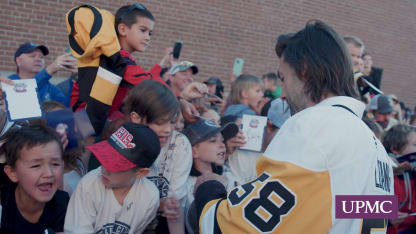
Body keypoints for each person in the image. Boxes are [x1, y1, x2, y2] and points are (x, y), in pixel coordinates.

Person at [192, 20, 394, 233]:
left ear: (304, 70)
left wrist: (209, 188)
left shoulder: (315, 124)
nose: (284, 94)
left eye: (283, 78)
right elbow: (341, 211)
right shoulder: (376, 147)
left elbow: (237, 227)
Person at [64, 122, 161, 233]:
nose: (105, 169)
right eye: (106, 157)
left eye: (116, 166)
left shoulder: (149, 196)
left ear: (141, 173)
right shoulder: (89, 185)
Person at [122, 80, 191, 234]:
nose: (168, 130)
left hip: (161, 224)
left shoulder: (179, 143)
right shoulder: (122, 141)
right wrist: (159, 204)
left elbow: (173, 205)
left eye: (172, 122)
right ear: (136, 118)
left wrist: (166, 205)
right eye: (160, 123)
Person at [1, 125, 69, 233]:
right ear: (12, 173)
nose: (48, 173)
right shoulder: (3, 200)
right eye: (36, 166)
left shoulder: (62, 205)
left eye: (55, 164)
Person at [182, 120, 239, 234]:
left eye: (222, 140)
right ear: (194, 151)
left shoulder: (228, 175)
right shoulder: (185, 185)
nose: (222, 145)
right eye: (213, 141)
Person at [9, 42, 76, 106]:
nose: (38, 59)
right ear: (18, 61)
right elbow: (22, 94)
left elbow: (66, 110)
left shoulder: (50, 88)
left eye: (41, 57)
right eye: (32, 56)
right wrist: (50, 69)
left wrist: (75, 79)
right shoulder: (8, 82)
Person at [383, 124, 416, 234]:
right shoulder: (383, 171)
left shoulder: (413, 171)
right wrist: (386, 218)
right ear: (395, 149)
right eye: (415, 144)